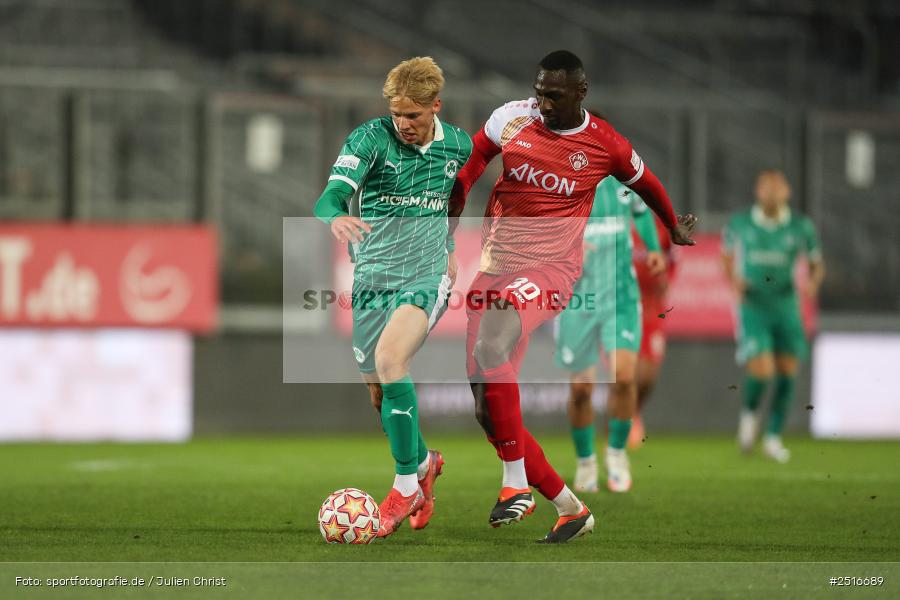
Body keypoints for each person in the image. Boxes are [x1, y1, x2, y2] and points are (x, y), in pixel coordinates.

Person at [451, 50, 696, 543]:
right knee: (485, 407)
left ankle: (514, 484)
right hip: (495, 269)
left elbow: (646, 183)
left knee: (493, 342)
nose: (543, 101)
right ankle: (570, 508)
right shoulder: (512, 117)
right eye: (540, 90)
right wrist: (451, 213)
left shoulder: (605, 145)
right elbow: (475, 159)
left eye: (555, 95)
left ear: (581, 93)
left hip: (551, 270)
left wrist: (672, 227)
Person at [313, 56, 473, 536]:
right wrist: (334, 216)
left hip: (424, 275)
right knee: (379, 393)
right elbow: (330, 197)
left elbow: (454, 202)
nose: (403, 123)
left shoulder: (460, 146)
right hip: (372, 278)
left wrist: (447, 247)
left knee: (390, 358)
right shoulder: (369, 138)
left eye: (414, 115)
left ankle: (405, 486)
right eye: (397, 113)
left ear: (435, 107)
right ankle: (425, 462)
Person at [555, 176, 666, 493]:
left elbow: (643, 213)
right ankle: (586, 462)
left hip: (621, 299)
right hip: (578, 300)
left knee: (625, 376)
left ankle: (616, 455)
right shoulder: (559, 187)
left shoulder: (623, 185)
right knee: (581, 390)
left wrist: (654, 248)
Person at [722, 169, 825, 463]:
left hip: (786, 305)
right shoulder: (740, 223)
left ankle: (773, 437)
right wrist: (733, 281)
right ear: (758, 192)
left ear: (787, 192)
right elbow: (726, 257)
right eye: (766, 188)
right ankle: (749, 419)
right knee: (762, 370)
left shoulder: (801, 226)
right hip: (754, 305)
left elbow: (817, 263)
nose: (772, 193)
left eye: (777, 188)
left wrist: (814, 282)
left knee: (788, 372)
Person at [628, 210, 678, 449]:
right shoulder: (618, 225)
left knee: (648, 375)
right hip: (624, 304)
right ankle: (625, 419)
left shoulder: (660, 229)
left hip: (652, 308)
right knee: (627, 370)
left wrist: (666, 280)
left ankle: (633, 411)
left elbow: (673, 261)